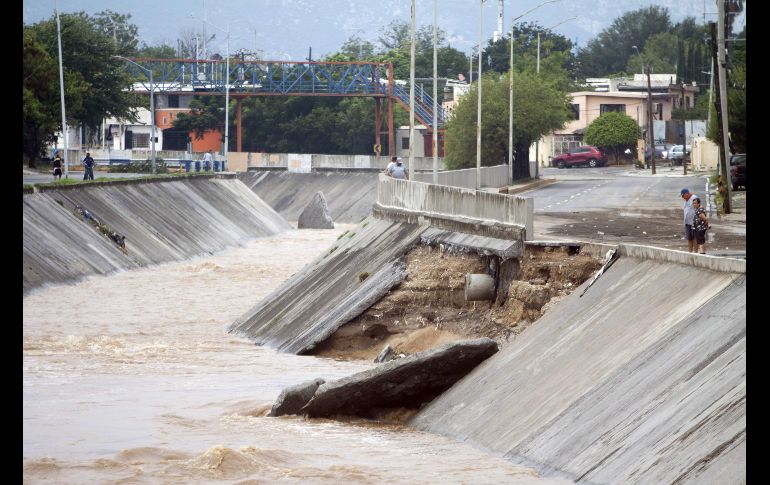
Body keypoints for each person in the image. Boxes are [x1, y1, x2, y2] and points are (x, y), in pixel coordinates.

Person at [680, 188, 699, 253]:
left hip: (694, 222)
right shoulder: (686, 200)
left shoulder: (694, 198)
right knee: (689, 238)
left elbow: (698, 208)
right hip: (687, 223)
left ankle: (695, 252)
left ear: (687, 194)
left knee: (695, 238)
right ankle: (690, 252)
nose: (683, 197)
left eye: (683, 196)